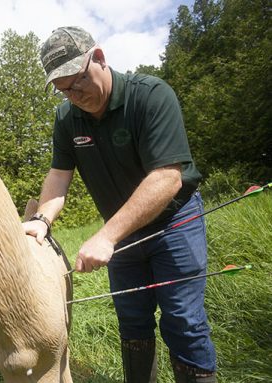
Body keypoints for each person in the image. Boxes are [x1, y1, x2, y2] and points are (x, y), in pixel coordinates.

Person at [23, 26, 217, 383]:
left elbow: (167, 178)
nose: (73, 94)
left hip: (174, 222)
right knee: (132, 319)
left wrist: (106, 237)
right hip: (121, 234)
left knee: (183, 320)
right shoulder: (67, 119)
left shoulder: (151, 96)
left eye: (76, 81)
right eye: (62, 89)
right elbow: (58, 176)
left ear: (98, 58)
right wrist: (41, 220)